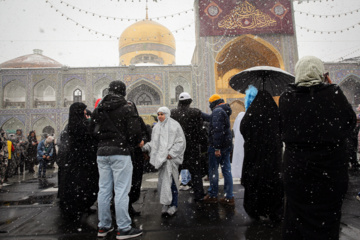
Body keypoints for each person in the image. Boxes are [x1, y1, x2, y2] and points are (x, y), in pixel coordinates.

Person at [279, 56, 356, 240]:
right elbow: (349, 122)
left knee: (298, 220)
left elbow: (282, 130)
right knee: (326, 223)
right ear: (321, 72)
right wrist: (330, 87)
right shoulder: (333, 94)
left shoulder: (286, 97)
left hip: (297, 172)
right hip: (330, 173)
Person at [90, 80, 143, 239]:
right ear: (123, 92)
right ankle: (124, 228)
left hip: (102, 153)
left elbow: (91, 131)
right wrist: (128, 142)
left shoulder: (99, 109)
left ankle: (104, 226)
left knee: (104, 189)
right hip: (120, 153)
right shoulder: (127, 107)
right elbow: (135, 133)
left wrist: (103, 141)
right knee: (121, 191)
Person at [240, 87, 283, 222]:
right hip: (272, 157)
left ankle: (255, 210)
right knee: (273, 182)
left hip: (254, 156)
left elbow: (243, 128)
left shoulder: (252, 113)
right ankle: (274, 212)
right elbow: (283, 129)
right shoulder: (274, 112)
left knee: (255, 182)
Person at [142, 106, 186, 216]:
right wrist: (146, 147)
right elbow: (154, 143)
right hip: (162, 160)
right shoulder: (157, 128)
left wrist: (172, 153)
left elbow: (180, 142)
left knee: (172, 183)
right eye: (159, 114)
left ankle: (173, 204)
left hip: (170, 160)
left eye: (162, 114)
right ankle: (166, 204)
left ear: (167, 114)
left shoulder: (174, 125)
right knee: (163, 184)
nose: (160, 116)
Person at [58, 102, 99, 221]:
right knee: (84, 184)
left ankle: (79, 207)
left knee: (78, 185)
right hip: (84, 160)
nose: (85, 112)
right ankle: (81, 206)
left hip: (76, 160)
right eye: (84, 110)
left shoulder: (72, 125)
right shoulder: (81, 125)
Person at [171, 92, 205, 201]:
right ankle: (199, 195)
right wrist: (202, 144)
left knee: (174, 173)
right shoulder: (195, 113)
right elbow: (200, 131)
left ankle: (171, 197)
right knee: (196, 173)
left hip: (178, 148)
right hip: (192, 148)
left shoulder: (173, 113)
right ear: (190, 102)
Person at [202, 94, 234, 205]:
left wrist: (216, 148)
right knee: (226, 171)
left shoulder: (217, 111)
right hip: (226, 145)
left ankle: (213, 195)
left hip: (217, 147)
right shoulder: (223, 110)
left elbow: (217, 131)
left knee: (214, 171)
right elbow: (213, 120)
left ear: (213, 103)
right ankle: (229, 197)